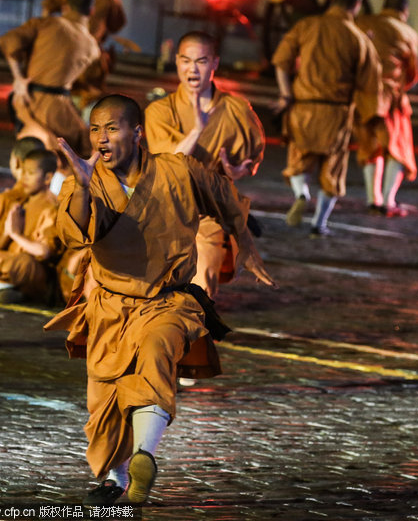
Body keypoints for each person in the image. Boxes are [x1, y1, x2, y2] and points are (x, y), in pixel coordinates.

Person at [44, 94, 274, 506]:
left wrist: (244, 243)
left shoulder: (177, 170)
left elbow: (224, 196)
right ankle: (118, 480)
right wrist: (80, 185)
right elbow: (77, 235)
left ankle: (144, 457)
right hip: (111, 306)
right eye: (95, 129)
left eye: (112, 128)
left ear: (137, 133)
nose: (101, 138)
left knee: (154, 357)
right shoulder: (86, 180)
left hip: (169, 301)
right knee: (106, 401)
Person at [145, 31, 265, 298]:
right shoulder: (160, 111)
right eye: (186, 61)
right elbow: (169, 161)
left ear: (214, 63)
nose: (192, 69)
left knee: (200, 295)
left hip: (208, 214)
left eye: (201, 61)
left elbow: (249, 160)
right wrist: (197, 131)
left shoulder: (236, 110)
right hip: (166, 209)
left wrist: (237, 171)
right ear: (176, 62)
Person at [271, 0, 385, 236]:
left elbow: (280, 61)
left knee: (298, 161)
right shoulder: (359, 39)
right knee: (332, 172)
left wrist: (285, 94)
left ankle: (301, 194)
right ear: (357, 5)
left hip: (303, 108)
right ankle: (318, 224)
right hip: (337, 113)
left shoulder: (308, 25)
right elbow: (370, 86)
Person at [0, 0, 100, 190]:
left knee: (40, 157)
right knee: (76, 153)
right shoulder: (93, 47)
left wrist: (18, 78)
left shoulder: (48, 23)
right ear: (91, 11)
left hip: (29, 100)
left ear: (64, 7)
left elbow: (11, 41)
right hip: (62, 109)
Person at [0, 149, 61, 304]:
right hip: (2, 262)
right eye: (23, 172)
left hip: (30, 271)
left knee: (22, 263)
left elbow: (43, 252)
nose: (24, 178)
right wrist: (7, 233)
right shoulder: (21, 203)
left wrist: (15, 234)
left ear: (47, 178)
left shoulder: (52, 208)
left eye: (31, 173)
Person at [355, 0, 418, 216]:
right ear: (405, 11)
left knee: (369, 147)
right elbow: (412, 74)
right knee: (397, 150)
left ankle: (373, 199)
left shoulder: (362, 22)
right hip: (390, 99)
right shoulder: (408, 32)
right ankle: (388, 201)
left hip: (362, 96)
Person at [42, 0, 127, 108]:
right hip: (91, 62)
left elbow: (47, 5)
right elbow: (117, 25)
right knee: (89, 109)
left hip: (64, 57)